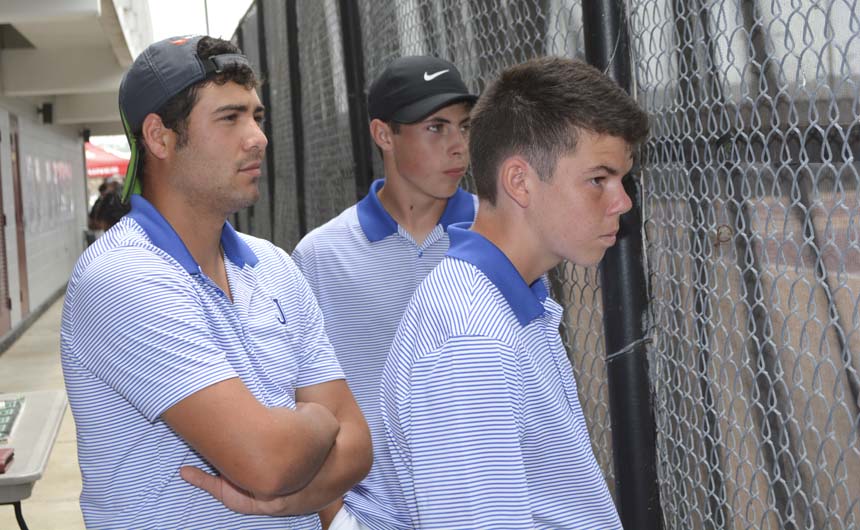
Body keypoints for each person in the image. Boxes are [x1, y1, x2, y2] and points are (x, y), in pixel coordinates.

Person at [60, 35, 371, 530]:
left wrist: (284, 498)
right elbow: (267, 461)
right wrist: (317, 419)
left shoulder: (272, 265)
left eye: (257, 116)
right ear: (159, 137)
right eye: (230, 118)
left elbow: (359, 446)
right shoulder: (121, 277)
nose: (258, 137)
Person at [183, 56, 478, 530]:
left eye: (464, 126)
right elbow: (293, 389)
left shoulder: (499, 237)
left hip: (485, 502)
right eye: (436, 128)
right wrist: (335, 516)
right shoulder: (320, 254)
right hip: (370, 514)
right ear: (384, 135)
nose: (458, 146)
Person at [378, 56, 650, 529]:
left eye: (621, 180)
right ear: (520, 182)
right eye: (598, 179)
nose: (622, 202)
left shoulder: (508, 298)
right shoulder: (472, 343)